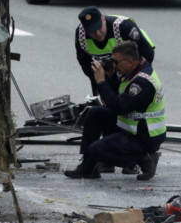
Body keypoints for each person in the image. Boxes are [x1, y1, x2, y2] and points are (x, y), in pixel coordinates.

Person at [63, 40, 165, 181]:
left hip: (145, 136)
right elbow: (114, 99)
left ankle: (145, 158)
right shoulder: (133, 71)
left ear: (130, 61)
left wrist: (101, 82)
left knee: (97, 150)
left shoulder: (143, 83)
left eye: (116, 62)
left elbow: (119, 107)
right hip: (131, 127)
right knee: (95, 113)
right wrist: (109, 76)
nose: (114, 65)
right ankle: (88, 167)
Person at [75, 6, 155, 97]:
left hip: (136, 57)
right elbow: (84, 63)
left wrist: (127, 78)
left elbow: (147, 54)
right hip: (109, 68)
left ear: (104, 19)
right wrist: (100, 81)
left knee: (128, 99)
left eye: (99, 28)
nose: (97, 34)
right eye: (92, 31)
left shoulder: (124, 27)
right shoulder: (81, 35)